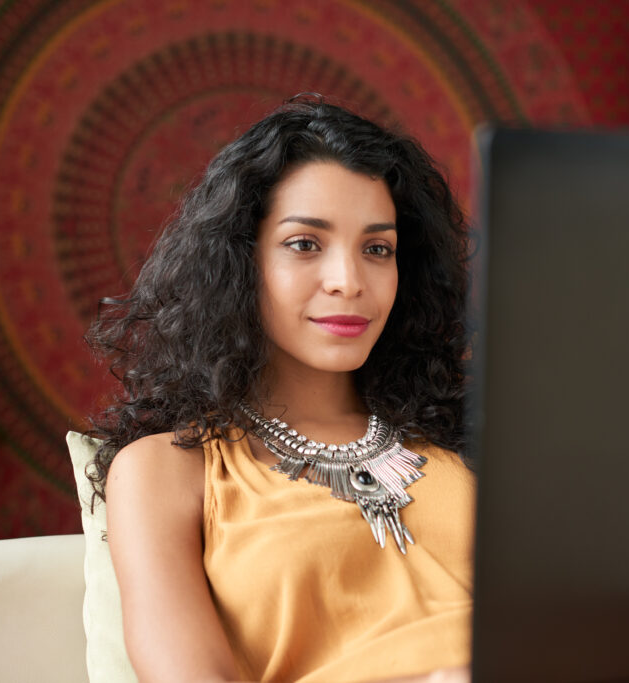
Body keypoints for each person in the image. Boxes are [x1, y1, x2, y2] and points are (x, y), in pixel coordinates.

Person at [86, 95, 475, 682]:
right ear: (240, 263)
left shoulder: (464, 439)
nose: (348, 281)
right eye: (305, 244)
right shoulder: (165, 472)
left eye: (377, 249)